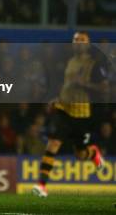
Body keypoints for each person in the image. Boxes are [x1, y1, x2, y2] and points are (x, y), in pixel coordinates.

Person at [32, 31, 108, 198]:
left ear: (88, 44)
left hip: (82, 114)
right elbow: (66, 86)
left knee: (81, 155)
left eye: (82, 40)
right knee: (53, 144)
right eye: (76, 40)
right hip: (63, 110)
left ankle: (93, 153)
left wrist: (85, 84)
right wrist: (56, 98)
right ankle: (41, 186)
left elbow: (104, 88)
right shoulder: (68, 61)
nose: (79, 42)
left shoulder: (95, 64)